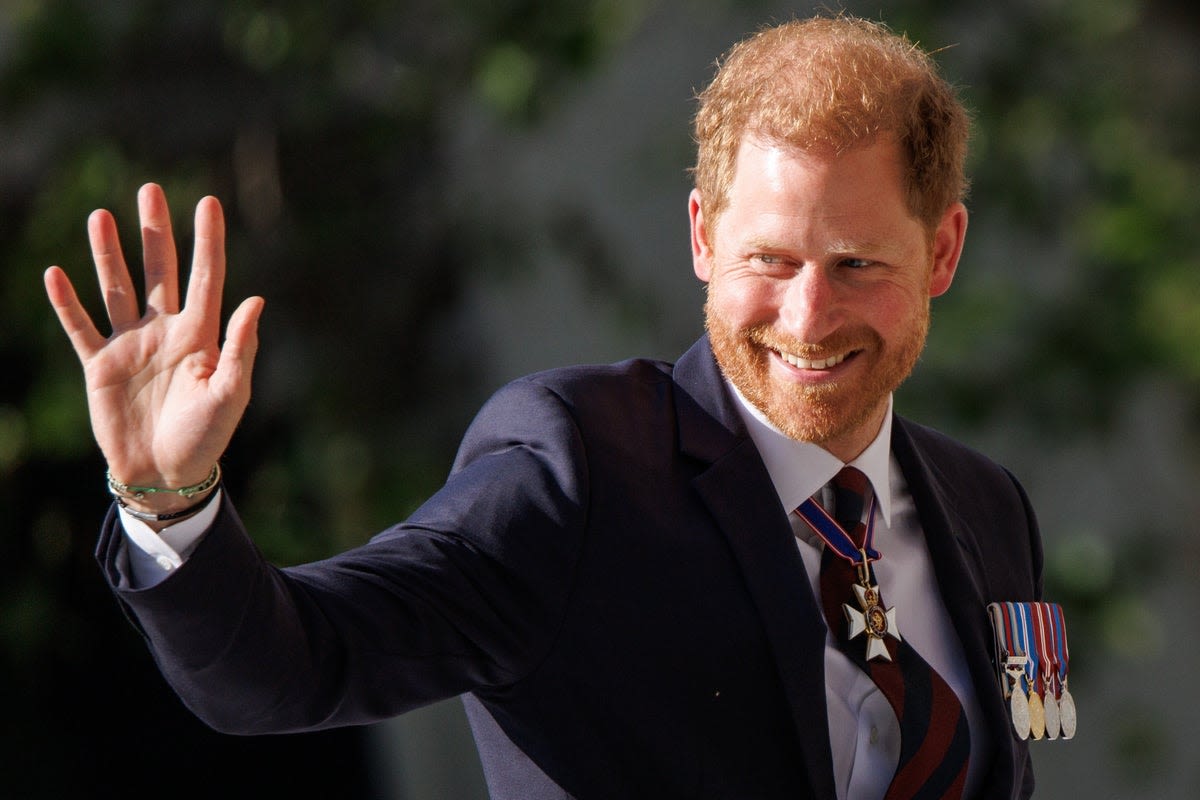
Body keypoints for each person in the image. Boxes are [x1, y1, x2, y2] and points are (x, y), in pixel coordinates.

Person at [44, 14, 1041, 800]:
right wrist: (167, 498)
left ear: (943, 250)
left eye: (856, 262)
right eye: (767, 259)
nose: (807, 314)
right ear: (701, 235)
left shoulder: (991, 508)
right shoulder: (580, 469)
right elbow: (287, 668)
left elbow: (1032, 738)